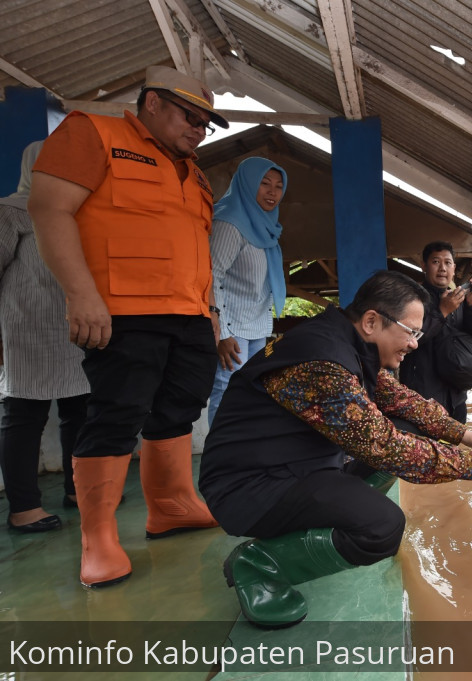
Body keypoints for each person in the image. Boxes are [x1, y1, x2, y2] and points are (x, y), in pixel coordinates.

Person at [199, 270, 472, 628]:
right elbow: (382, 445)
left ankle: (332, 523)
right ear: (372, 321)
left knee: (404, 430)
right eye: (411, 331)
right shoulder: (324, 363)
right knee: (382, 527)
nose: (416, 343)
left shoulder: (343, 343)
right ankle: (260, 562)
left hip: (285, 466)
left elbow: (399, 400)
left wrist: (465, 435)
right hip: (247, 487)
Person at [28, 65, 229, 587]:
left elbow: (194, 250)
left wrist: (208, 314)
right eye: (190, 115)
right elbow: (50, 210)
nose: (199, 129)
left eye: (207, 121)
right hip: (123, 309)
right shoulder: (93, 133)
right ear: (153, 103)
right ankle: (98, 538)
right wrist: (81, 294)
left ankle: (171, 504)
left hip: (188, 314)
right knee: (117, 413)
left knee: (179, 409)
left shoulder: (196, 173)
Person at [0, 141, 89, 533]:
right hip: (26, 326)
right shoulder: (13, 210)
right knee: (24, 414)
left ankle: (77, 488)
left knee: (80, 410)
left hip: (74, 325)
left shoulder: (81, 211)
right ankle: (23, 507)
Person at [207, 157, 288, 427]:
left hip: (255, 327)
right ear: (247, 184)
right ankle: (222, 457)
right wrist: (223, 333)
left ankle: (242, 455)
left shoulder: (267, 228)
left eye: (278, 186)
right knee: (228, 391)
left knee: (251, 393)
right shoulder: (230, 223)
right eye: (264, 184)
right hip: (232, 327)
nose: (272, 192)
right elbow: (212, 275)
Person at [399, 241, 472, 423]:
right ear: (424, 266)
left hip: (456, 398)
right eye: (436, 262)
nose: (442, 269)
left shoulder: (459, 298)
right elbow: (407, 340)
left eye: (447, 263)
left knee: (453, 450)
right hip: (423, 399)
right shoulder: (412, 298)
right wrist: (442, 312)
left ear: (454, 268)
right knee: (424, 450)